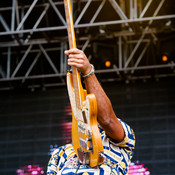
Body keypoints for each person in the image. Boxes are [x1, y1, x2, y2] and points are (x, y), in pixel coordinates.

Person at [47, 48, 135, 175]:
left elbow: (107, 120)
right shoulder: (60, 154)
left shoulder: (123, 138)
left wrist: (88, 71)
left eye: (89, 108)